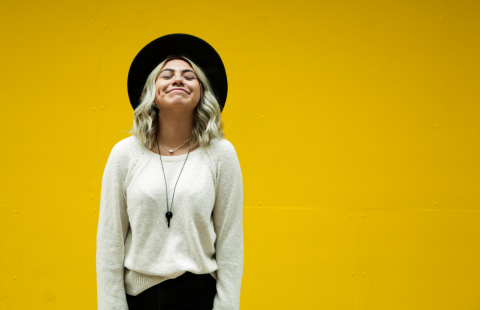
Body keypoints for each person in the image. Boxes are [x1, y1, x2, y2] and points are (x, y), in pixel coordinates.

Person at [96, 33, 244, 310]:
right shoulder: (125, 154)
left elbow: (230, 240)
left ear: (202, 92)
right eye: (167, 75)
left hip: (200, 297)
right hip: (140, 299)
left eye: (189, 76)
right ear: (151, 92)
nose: (178, 79)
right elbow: (110, 240)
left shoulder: (221, 154)